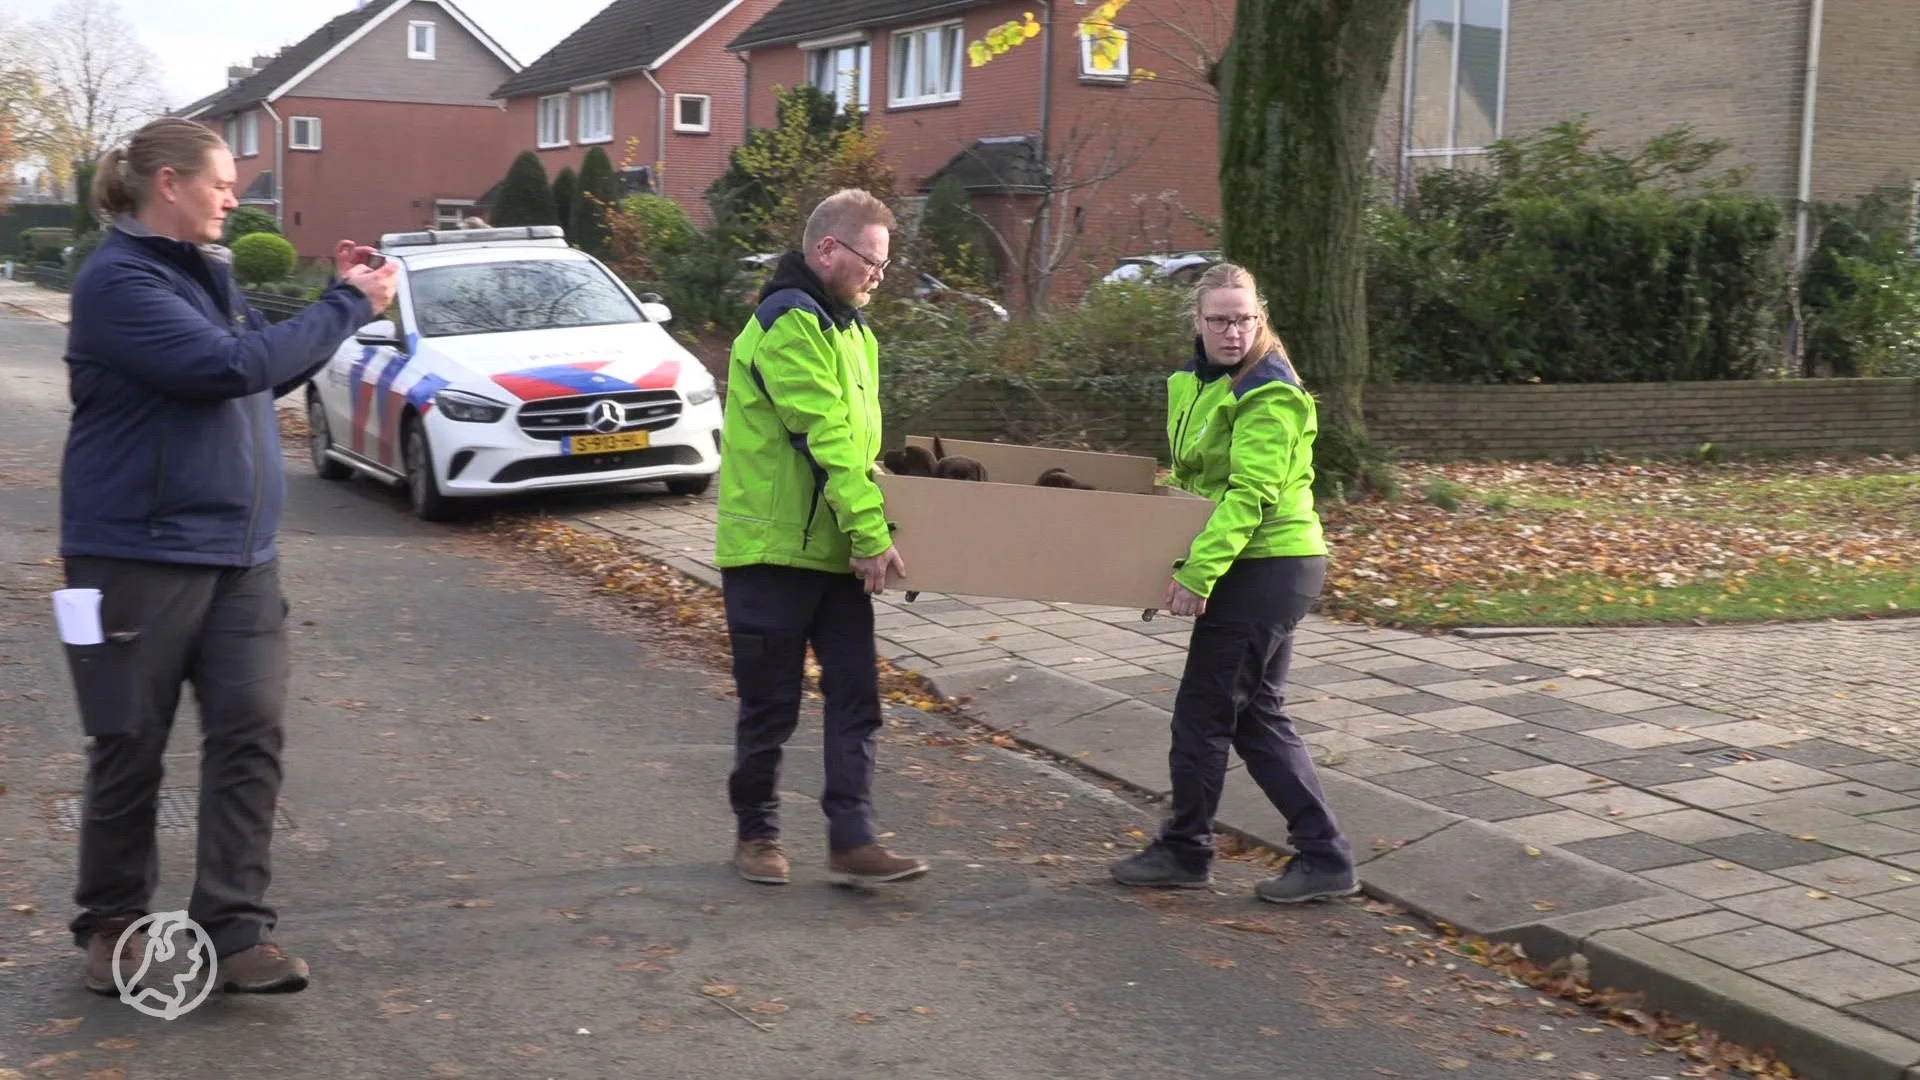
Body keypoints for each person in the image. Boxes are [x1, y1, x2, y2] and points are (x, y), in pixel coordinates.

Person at [59, 117, 398, 994]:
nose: (234, 197)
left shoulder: (206, 274)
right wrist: (351, 305)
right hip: (134, 555)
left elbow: (260, 371)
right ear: (167, 183)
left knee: (251, 734)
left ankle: (234, 929)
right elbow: (223, 368)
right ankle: (112, 925)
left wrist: (338, 293)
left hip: (242, 556)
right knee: (129, 743)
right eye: (222, 182)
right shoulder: (118, 282)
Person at [1109, 262, 1359, 904]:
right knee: (1254, 717)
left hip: (1269, 564)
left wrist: (1197, 572)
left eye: (1245, 318)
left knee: (1203, 714)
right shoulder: (1195, 384)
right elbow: (1198, 481)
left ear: (1260, 318)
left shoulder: (1267, 391)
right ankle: (1325, 855)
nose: (1233, 331)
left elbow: (1248, 495)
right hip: (1252, 564)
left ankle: (1187, 849)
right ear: (1197, 322)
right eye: (1220, 319)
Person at [713, 188, 927, 889]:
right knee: (771, 706)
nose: (878, 276)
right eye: (872, 260)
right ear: (827, 249)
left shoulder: (853, 332)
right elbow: (824, 437)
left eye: (886, 265)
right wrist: (871, 532)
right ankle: (757, 833)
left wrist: (892, 517)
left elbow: (860, 452)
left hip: (834, 553)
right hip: (771, 555)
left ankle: (852, 837)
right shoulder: (788, 324)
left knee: (857, 697)